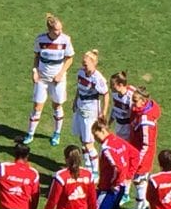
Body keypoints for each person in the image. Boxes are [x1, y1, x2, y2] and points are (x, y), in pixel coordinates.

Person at [22, 13, 74, 146]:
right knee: (37, 106)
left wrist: (61, 73)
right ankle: (30, 133)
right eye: (57, 30)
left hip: (58, 80)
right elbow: (37, 56)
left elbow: (70, 58)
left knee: (57, 105)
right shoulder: (40, 40)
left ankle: (57, 133)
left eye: (61, 29)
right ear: (50, 30)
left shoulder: (65, 40)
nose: (60, 32)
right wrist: (34, 71)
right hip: (42, 78)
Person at [121, 86, 162, 209]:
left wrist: (139, 159)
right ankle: (144, 205)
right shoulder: (142, 110)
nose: (133, 103)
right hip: (137, 151)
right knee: (140, 181)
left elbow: (146, 143)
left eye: (135, 100)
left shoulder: (145, 120)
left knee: (139, 180)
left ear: (143, 101)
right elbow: (131, 88)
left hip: (143, 154)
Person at [72, 49, 110, 177]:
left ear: (94, 63)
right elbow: (79, 88)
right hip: (80, 107)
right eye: (83, 63)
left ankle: (95, 171)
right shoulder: (81, 73)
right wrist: (74, 101)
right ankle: (87, 165)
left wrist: (103, 112)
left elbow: (105, 95)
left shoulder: (98, 78)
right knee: (83, 139)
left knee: (89, 142)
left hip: (91, 110)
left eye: (86, 64)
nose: (84, 66)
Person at [108, 71, 135, 141]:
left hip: (128, 129)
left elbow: (135, 114)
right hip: (118, 126)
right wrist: (109, 123)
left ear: (120, 85)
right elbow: (115, 109)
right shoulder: (115, 94)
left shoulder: (130, 97)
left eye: (112, 85)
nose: (110, 87)